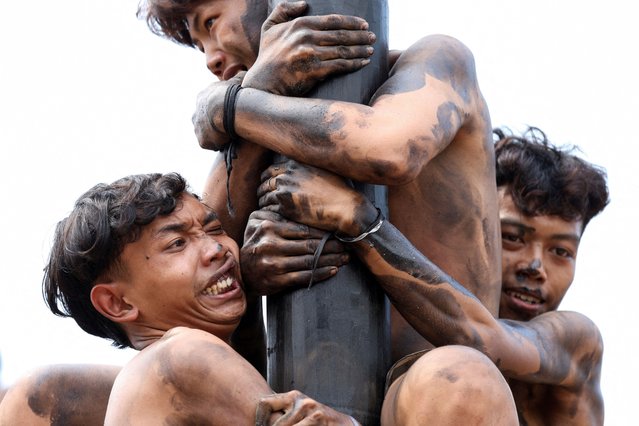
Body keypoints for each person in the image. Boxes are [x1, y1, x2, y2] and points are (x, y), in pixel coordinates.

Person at [140, 0, 502, 365]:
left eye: (211, 22)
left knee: (451, 377)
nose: (210, 59)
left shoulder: (437, 62)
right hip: (308, 390)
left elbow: (386, 150)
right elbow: (215, 239)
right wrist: (246, 275)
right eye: (200, 46)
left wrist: (230, 106)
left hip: (440, 383)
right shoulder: (257, 133)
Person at [250, 126, 608, 424]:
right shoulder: (406, 334)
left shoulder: (576, 344)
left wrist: (359, 221)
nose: (536, 266)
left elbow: (486, 340)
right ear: (479, 238)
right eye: (513, 238)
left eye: (561, 251)